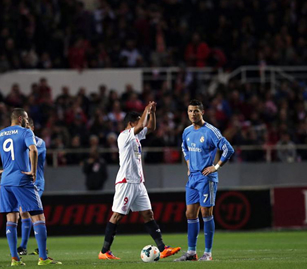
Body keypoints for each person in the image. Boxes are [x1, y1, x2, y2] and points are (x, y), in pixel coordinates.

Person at [0, 108, 61, 266]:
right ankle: (43, 258)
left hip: (5, 182)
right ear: (21, 119)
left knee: (11, 218)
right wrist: (33, 172)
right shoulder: (25, 132)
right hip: (22, 179)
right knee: (38, 217)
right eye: (26, 119)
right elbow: (33, 150)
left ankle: (15, 259)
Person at [98, 102, 181, 260]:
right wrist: (146, 110)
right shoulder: (124, 135)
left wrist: (153, 113)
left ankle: (163, 249)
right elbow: (143, 123)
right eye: (138, 121)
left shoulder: (135, 137)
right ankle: (104, 251)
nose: (141, 124)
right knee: (117, 216)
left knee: (148, 214)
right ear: (131, 124)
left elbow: (151, 128)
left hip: (138, 182)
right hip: (126, 181)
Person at [175, 99, 234, 262]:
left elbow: (228, 149)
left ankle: (207, 253)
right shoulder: (186, 131)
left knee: (206, 212)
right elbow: (184, 149)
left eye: (196, 111)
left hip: (206, 178)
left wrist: (216, 167)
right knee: (190, 213)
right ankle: (191, 252)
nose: (192, 114)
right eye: (190, 111)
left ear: (202, 112)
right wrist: (188, 164)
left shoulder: (211, 131)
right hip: (192, 177)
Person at [17, 117, 47, 256]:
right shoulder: (21, 141)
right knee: (24, 212)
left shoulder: (39, 142)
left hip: (36, 183)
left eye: (28, 127)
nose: (26, 130)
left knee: (28, 211)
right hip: (23, 182)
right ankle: (27, 247)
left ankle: (26, 246)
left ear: (32, 128)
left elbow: (31, 154)